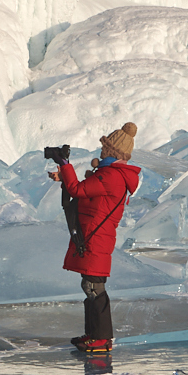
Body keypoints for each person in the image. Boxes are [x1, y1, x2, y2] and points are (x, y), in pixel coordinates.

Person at [47, 122, 141, 354]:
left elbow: (78, 190)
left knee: (93, 286)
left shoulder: (111, 176)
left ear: (113, 152)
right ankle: (94, 335)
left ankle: (101, 338)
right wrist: (64, 178)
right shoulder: (111, 174)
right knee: (89, 285)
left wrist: (66, 165)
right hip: (95, 235)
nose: (101, 151)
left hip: (96, 237)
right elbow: (84, 191)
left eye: (105, 148)